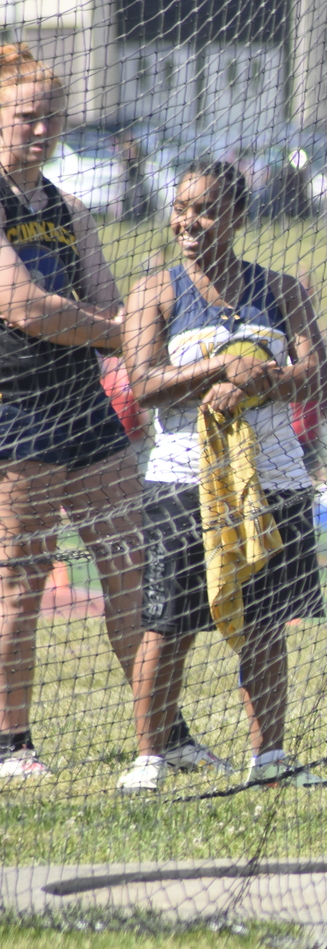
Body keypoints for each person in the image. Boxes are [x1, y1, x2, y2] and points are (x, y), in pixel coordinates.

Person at [119, 161, 327, 792]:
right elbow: (146, 386)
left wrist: (255, 379)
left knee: (266, 624)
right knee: (167, 623)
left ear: (238, 217)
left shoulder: (284, 289)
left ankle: (269, 757)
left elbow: (316, 375)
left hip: (273, 481)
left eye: (205, 209)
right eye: (181, 208)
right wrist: (222, 368)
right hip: (185, 482)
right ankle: (151, 757)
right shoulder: (154, 291)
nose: (188, 221)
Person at [0, 44, 176, 780]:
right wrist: (123, 335)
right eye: (26, 116)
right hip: (18, 411)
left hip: (84, 408)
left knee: (132, 568)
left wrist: (138, 327)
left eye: (52, 118)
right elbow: (25, 307)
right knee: (22, 578)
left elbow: (104, 291)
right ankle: (12, 744)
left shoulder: (67, 206)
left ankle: (162, 735)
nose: (42, 130)